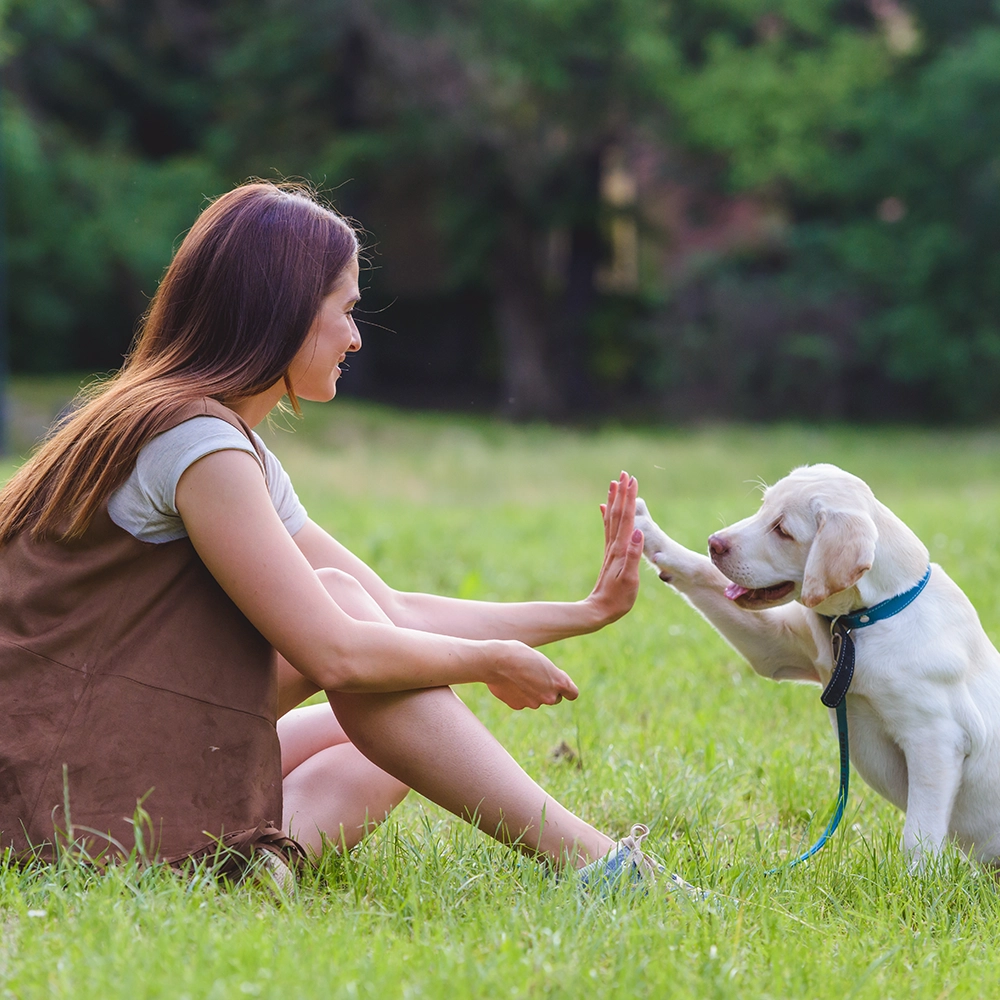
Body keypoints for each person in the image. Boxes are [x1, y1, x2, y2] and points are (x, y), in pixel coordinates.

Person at [0, 181, 652, 886]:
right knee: (361, 646)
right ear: (284, 313)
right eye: (345, 312)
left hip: (81, 752)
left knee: (393, 736)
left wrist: (585, 614)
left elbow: (390, 612)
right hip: (48, 788)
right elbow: (335, 652)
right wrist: (488, 659)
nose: (355, 337)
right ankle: (601, 866)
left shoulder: (211, 434)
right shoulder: (194, 442)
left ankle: (256, 874)